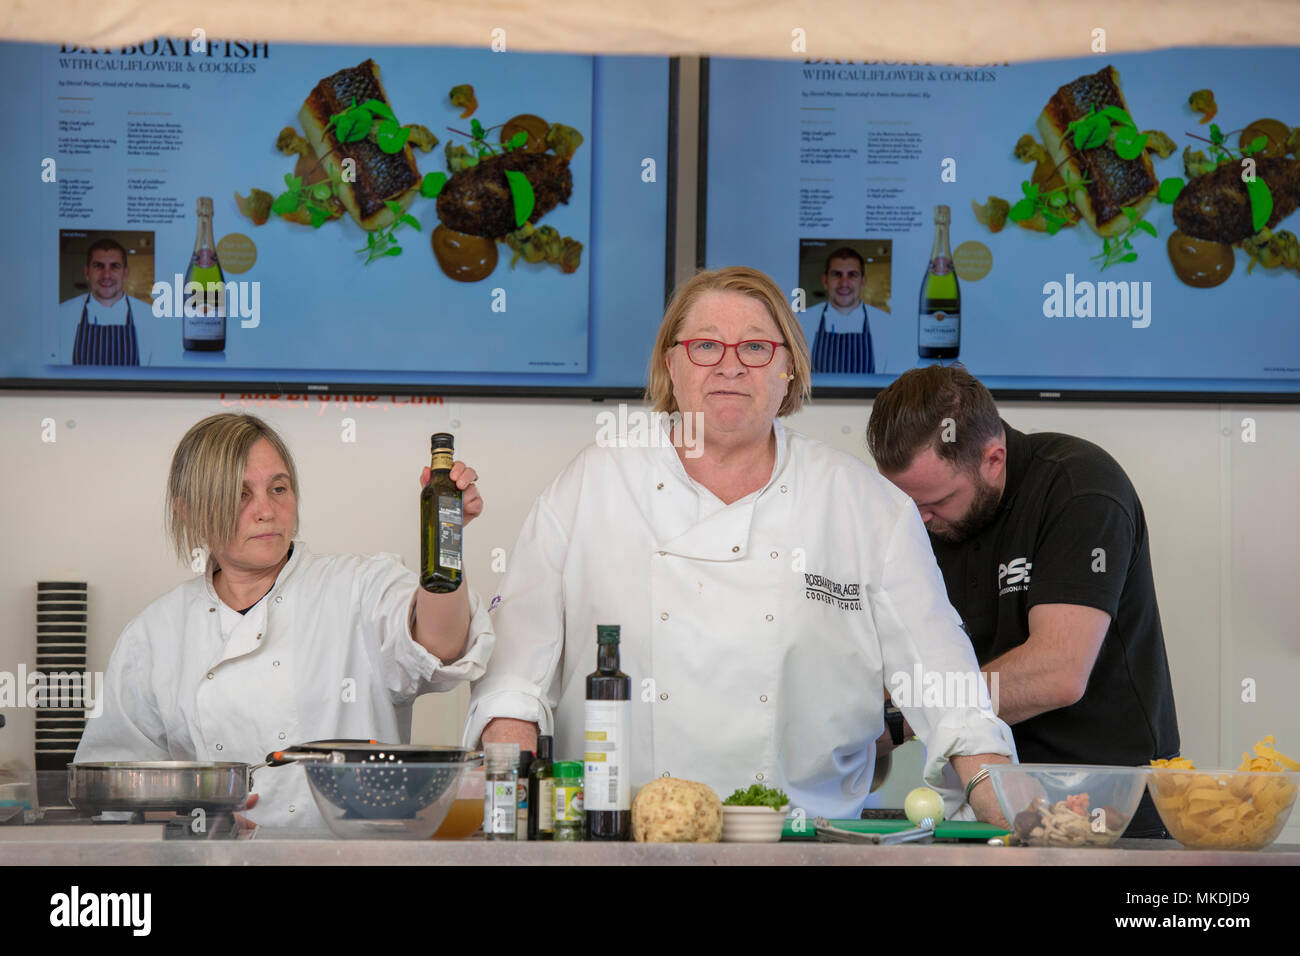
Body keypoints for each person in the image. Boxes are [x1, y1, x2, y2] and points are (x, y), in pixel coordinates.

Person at [466, 267, 1015, 823]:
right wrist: (507, 823)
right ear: (670, 365)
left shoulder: (865, 505)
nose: (730, 364)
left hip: (808, 844)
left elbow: (952, 694)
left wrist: (1019, 816)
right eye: (705, 345)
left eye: (755, 346)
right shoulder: (591, 484)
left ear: (788, 367)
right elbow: (513, 682)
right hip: (619, 839)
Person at [75, 413, 495, 827]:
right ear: (190, 510)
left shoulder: (358, 587)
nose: (267, 511)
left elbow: (442, 645)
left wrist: (445, 541)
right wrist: (201, 820)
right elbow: (115, 790)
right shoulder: (155, 634)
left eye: (278, 488)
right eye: (240, 495)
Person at [866, 365, 1180, 837]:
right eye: (908, 505)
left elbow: (1058, 673)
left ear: (993, 458)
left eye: (938, 502)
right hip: (978, 801)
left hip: (1108, 803)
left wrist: (904, 717)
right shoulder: (914, 519)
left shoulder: (1081, 488)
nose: (921, 520)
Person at [55, 239, 163, 366]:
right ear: (86, 272)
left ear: (125, 273)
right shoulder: (61, 315)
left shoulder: (151, 318)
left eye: (115, 266)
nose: (106, 275)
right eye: (98, 266)